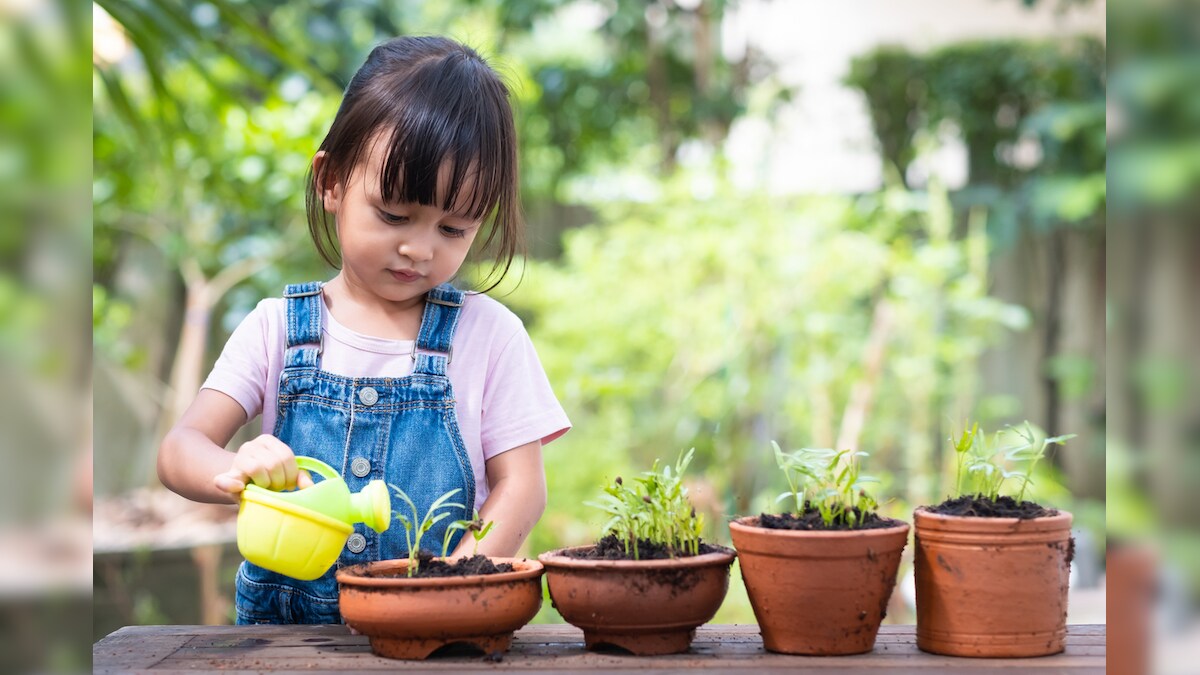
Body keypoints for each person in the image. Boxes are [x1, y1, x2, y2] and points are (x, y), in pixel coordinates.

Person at [157, 36, 570, 624]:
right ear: (330, 180)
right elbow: (179, 451)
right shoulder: (278, 329)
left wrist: (453, 588)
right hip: (287, 649)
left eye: (453, 229)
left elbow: (523, 491)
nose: (418, 248)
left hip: (442, 638)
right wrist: (237, 470)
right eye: (395, 215)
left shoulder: (489, 336)